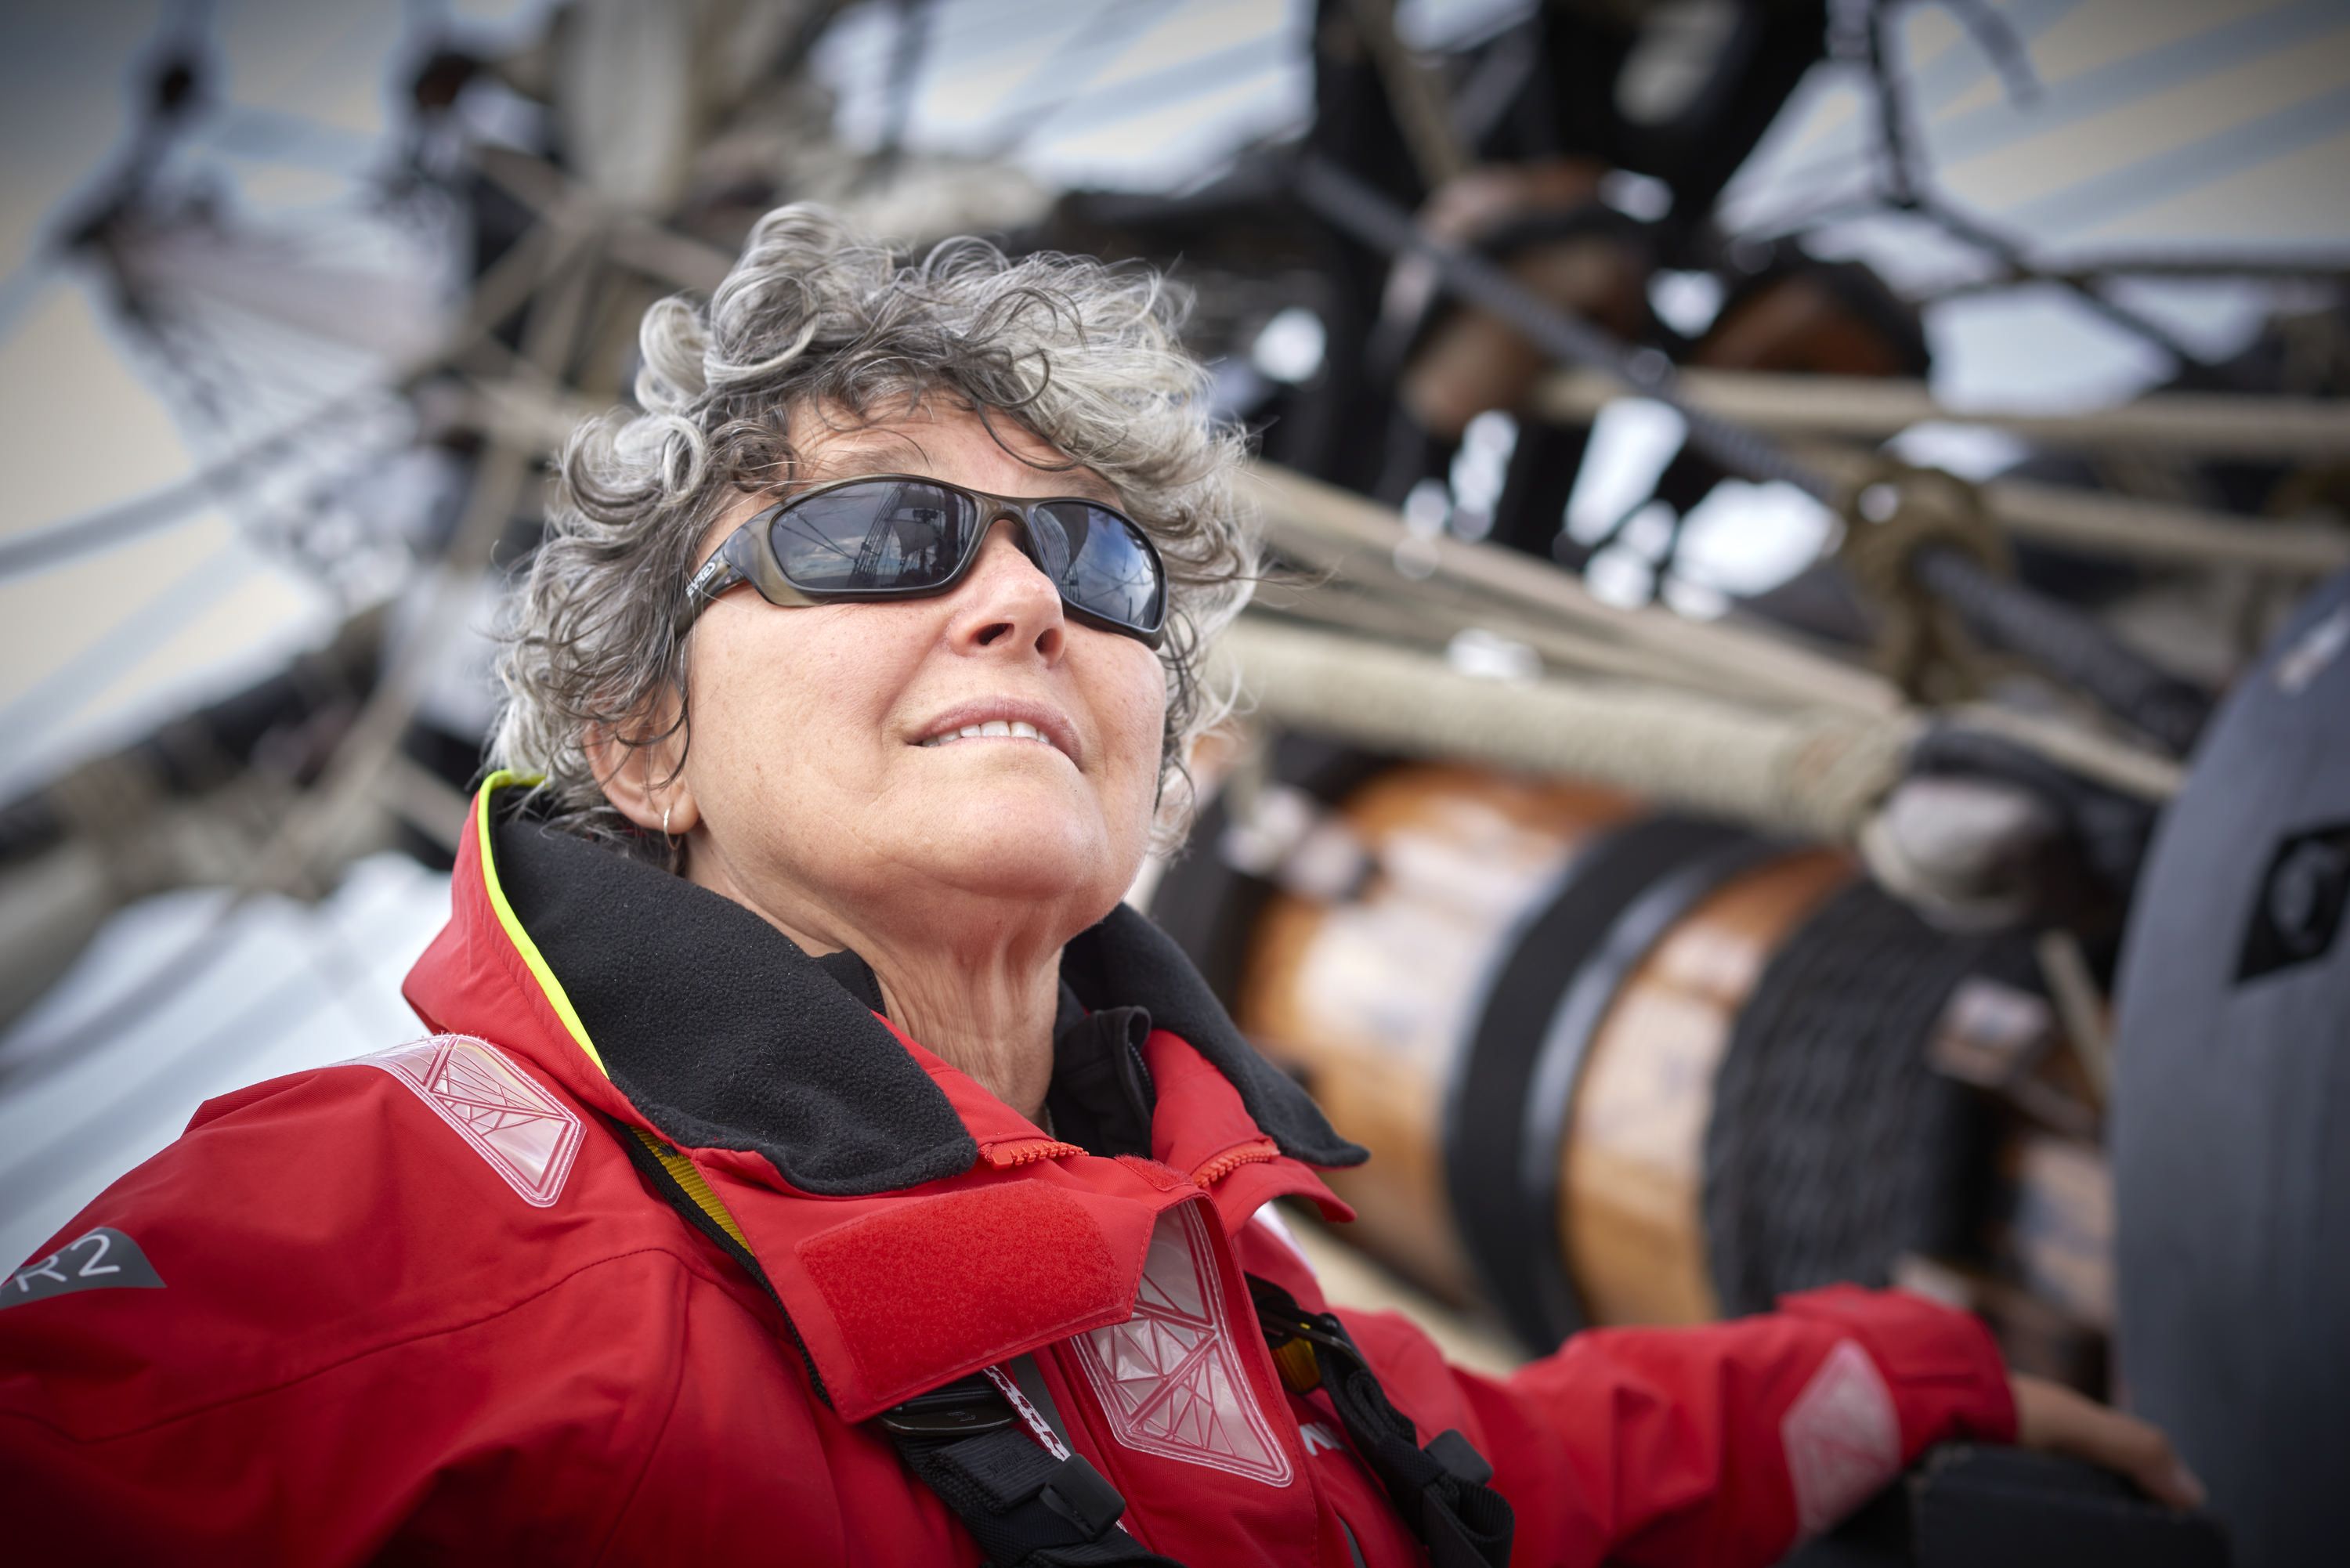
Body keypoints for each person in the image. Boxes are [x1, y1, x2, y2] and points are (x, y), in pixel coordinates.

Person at [0, 206, 2196, 1566]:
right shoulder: (411, 1229)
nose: (1022, 601)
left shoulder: (1244, 1302)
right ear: (640, 740)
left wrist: (1909, 1384)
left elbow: (1510, 1484)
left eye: (1097, 561)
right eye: (879, 540)